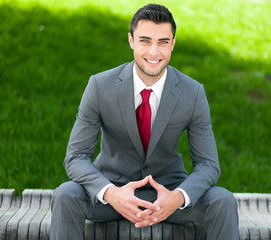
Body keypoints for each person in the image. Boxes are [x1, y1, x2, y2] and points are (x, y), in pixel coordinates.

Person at [50, 4, 239, 240]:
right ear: (131, 40)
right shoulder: (99, 86)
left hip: (168, 194)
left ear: (173, 43)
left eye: (162, 42)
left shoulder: (193, 92)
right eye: (145, 40)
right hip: (112, 192)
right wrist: (110, 193)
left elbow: (209, 165)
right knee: (65, 194)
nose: (154, 52)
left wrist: (178, 197)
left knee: (222, 200)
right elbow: (76, 157)